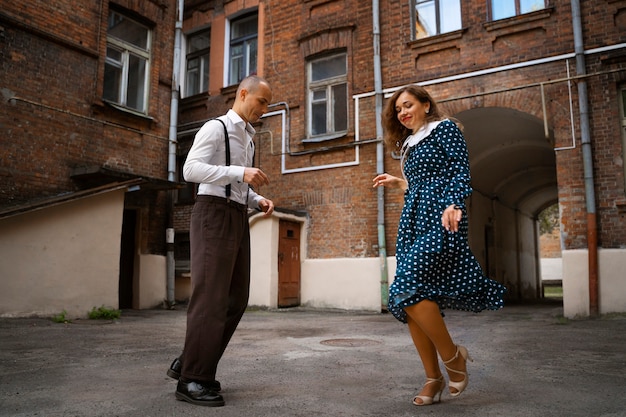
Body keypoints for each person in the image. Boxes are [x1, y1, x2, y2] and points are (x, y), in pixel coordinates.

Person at [373, 85, 506, 406]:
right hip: (413, 221)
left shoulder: (444, 129)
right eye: (398, 110)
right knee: (410, 298)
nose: (403, 113)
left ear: (425, 104)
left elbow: (459, 171)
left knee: (406, 288)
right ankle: (433, 379)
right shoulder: (409, 143)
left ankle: (453, 358)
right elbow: (422, 183)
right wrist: (399, 182)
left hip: (441, 215)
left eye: (408, 105)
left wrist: (455, 204)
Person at [168, 75, 275, 407]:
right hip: (212, 214)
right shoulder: (216, 128)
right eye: (262, 101)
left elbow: (237, 182)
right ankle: (192, 381)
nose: (264, 109)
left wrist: (255, 199)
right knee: (211, 298)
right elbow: (191, 170)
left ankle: (190, 361)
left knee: (236, 298)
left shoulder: (249, 138)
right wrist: (238, 173)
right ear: (244, 94)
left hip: (236, 214)